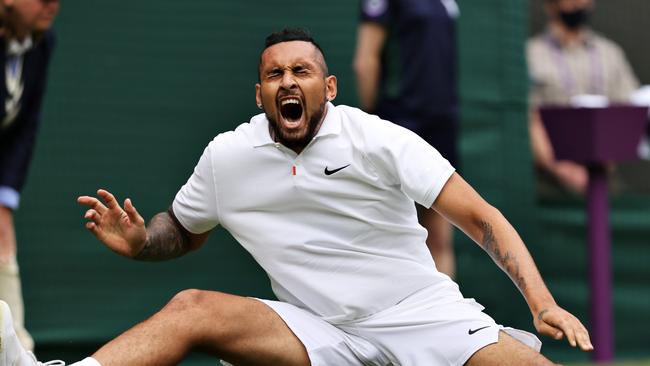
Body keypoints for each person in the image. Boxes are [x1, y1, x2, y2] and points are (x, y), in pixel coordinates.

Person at [1, 27, 592, 366]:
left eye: (302, 72)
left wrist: (540, 302)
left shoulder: (376, 139)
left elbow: (482, 219)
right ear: (259, 93)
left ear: (327, 87)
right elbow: (180, 231)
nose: (289, 81)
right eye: (275, 73)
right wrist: (139, 242)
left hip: (424, 317)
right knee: (192, 308)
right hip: (318, 330)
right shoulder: (228, 156)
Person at [354, 0, 459, 277]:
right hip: (400, 121)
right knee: (390, 233)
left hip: (441, 124)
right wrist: (372, 121)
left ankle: (447, 318)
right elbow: (365, 61)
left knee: (439, 235)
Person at [527, 0, 639, 194]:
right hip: (548, 183)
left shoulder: (609, 53)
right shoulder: (531, 55)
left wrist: (605, 161)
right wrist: (562, 169)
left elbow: (628, 112)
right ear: (551, 5)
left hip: (604, 178)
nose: (579, 5)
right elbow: (528, 119)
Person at [0, 0, 59, 352]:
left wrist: (4, 196)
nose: (53, 4)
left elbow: (25, 127)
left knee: (3, 241)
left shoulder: (43, 42)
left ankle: (19, 351)